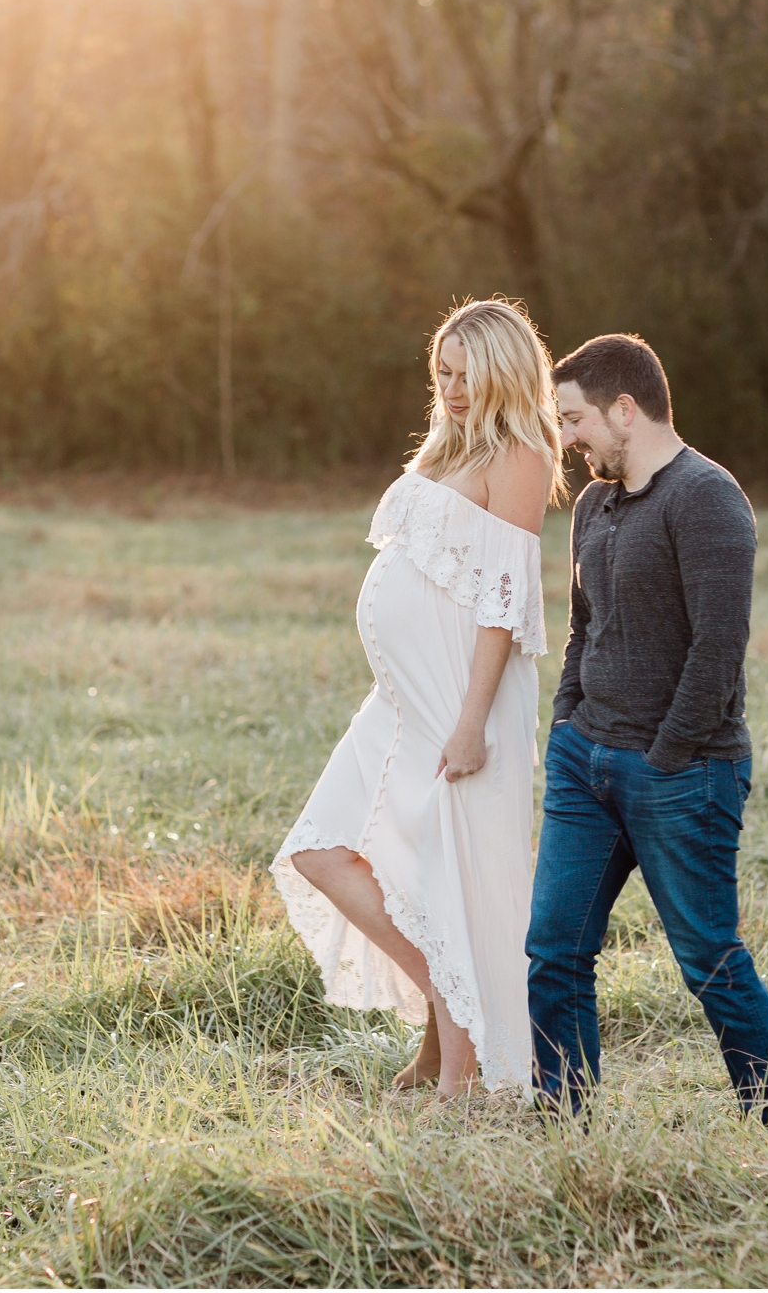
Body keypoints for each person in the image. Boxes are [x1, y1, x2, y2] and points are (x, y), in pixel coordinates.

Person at [271, 299, 566, 1099]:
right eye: (442, 372)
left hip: (458, 699)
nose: (453, 388)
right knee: (322, 847)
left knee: (453, 872)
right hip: (401, 700)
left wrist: (471, 723)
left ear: (504, 372)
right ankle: (442, 999)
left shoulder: (522, 452)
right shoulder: (448, 447)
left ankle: (457, 1077)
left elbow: (506, 598)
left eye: (468, 375)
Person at [528, 333, 768, 1119]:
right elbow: (586, 627)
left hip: (681, 771)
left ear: (625, 409)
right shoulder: (593, 505)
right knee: (554, 950)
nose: (568, 439)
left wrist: (667, 753)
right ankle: (562, 1117)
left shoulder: (707, 496)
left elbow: (720, 647)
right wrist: (566, 724)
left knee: (708, 958)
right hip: (586, 763)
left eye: (575, 420)